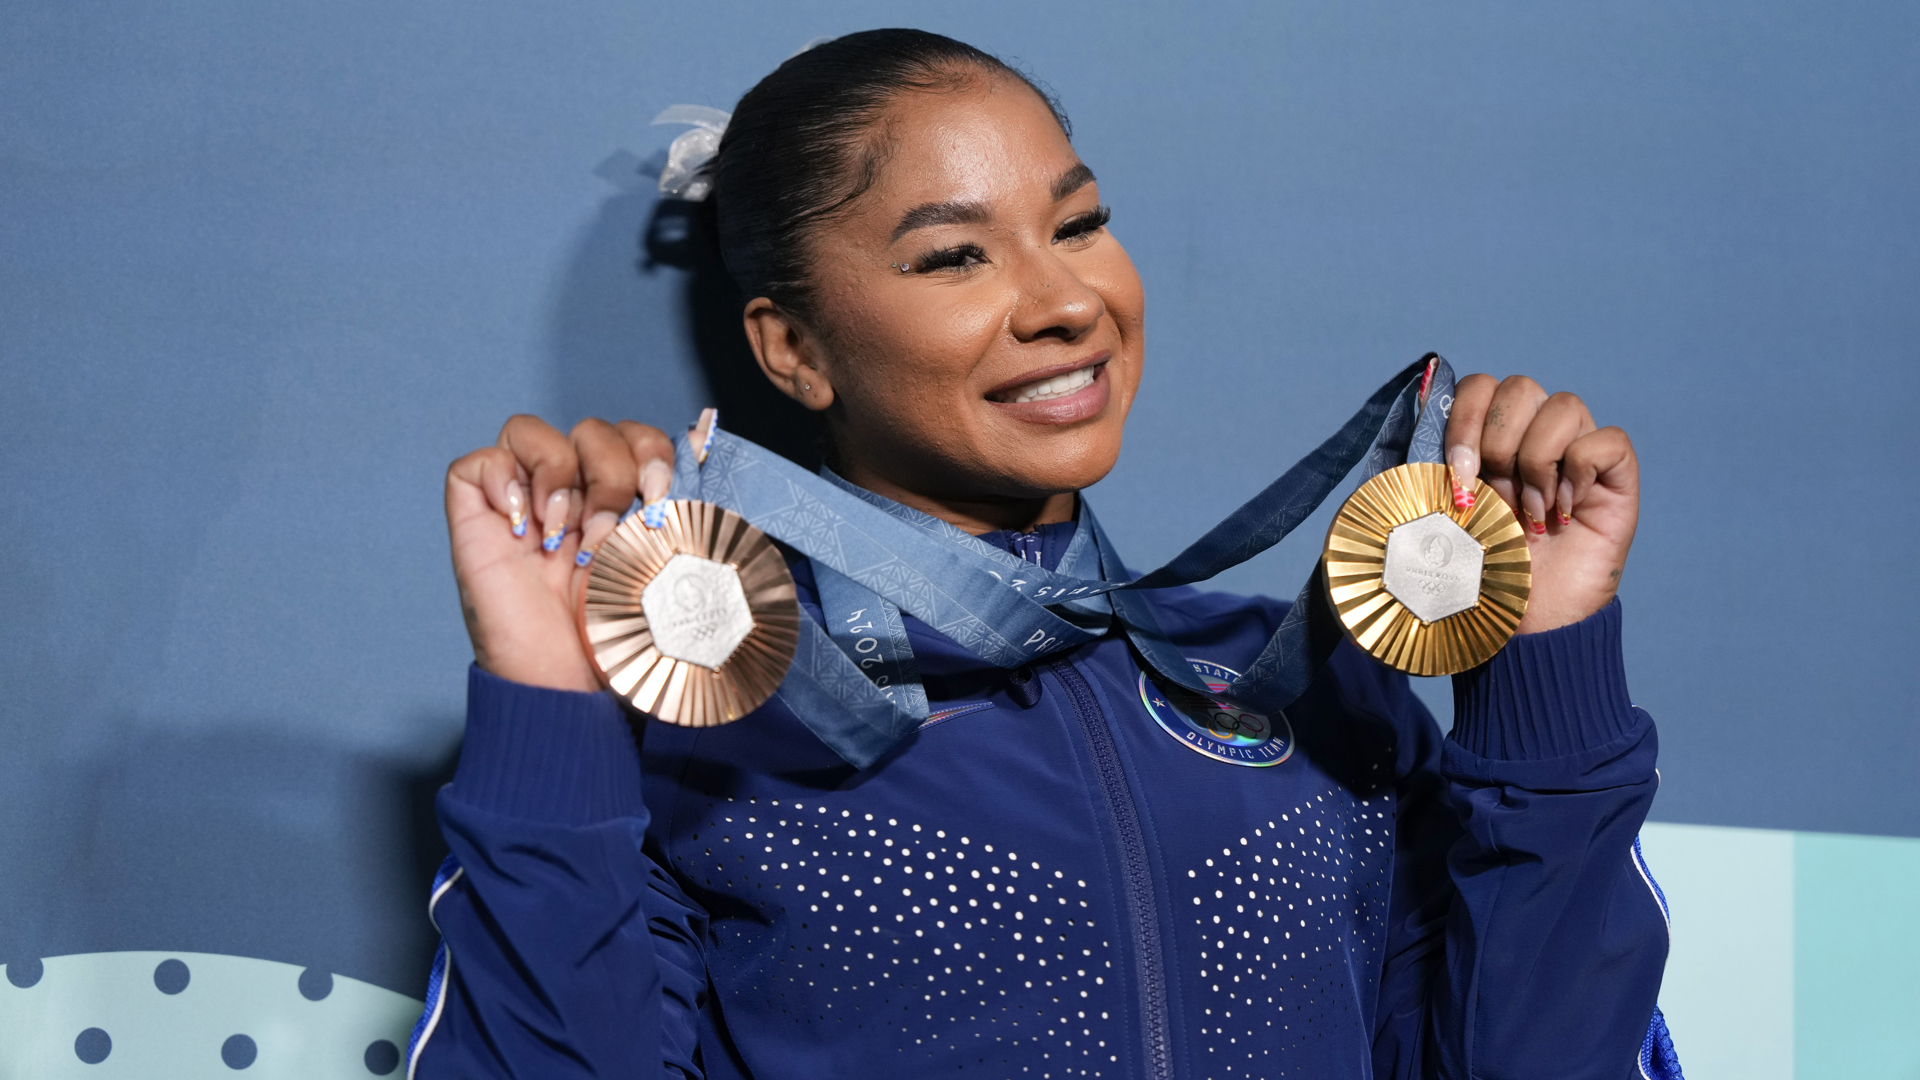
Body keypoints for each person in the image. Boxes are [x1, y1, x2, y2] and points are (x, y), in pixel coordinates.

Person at [417, 28, 1678, 1080]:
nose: (1067, 301)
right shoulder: (711, 718)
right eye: (955, 254)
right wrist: (551, 705)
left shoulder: (1303, 683)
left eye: (1077, 225)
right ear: (791, 347)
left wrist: (1543, 670)